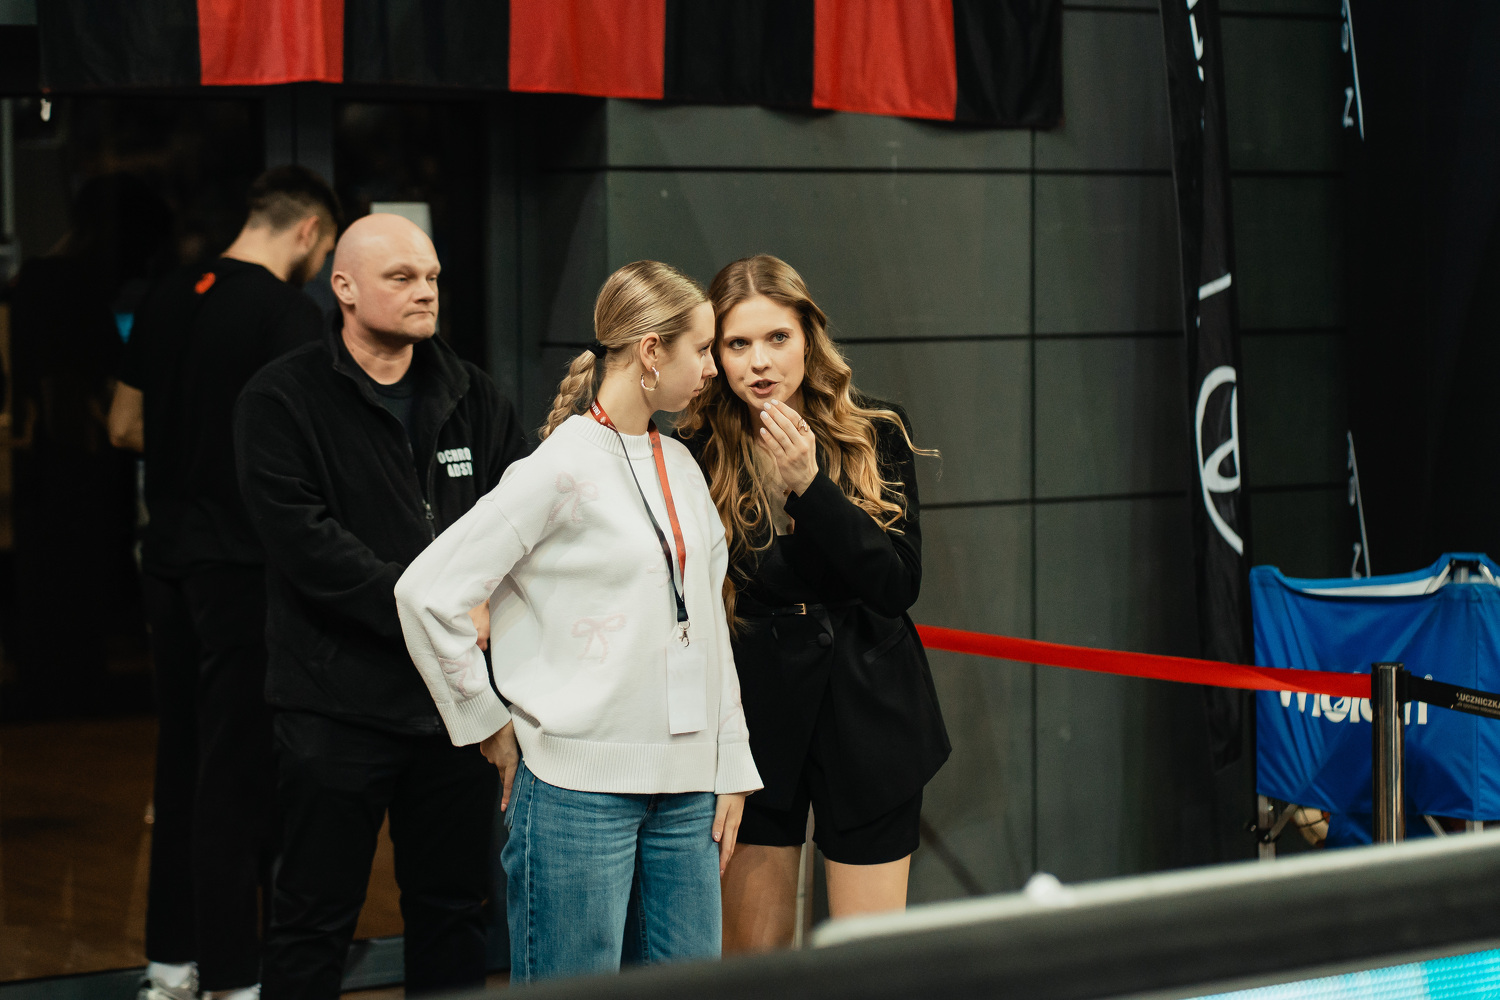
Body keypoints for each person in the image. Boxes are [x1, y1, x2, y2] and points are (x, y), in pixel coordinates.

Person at [394, 260, 762, 983]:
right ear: (651, 352)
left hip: (688, 791)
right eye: (702, 349)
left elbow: (709, 626)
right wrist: (486, 723)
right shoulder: (556, 468)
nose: (714, 368)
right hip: (575, 792)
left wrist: (731, 764)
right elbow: (425, 593)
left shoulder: (683, 465)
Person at [234, 213, 526, 1000]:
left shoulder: (474, 395)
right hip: (336, 705)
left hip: (453, 709)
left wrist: (483, 607)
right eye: (402, 278)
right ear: (344, 287)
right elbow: (307, 546)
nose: (425, 291)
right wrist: (437, 611)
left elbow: (521, 521)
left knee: (454, 913)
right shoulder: (282, 399)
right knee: (312, 921)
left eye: (431, 277)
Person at [107, 165, 339, 1000]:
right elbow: (303, 450)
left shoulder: (167, 294)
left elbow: (122, 425)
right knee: (236, 773)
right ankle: (235, 979)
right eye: (326, 247)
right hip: (240, 565)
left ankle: (170, 963)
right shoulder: (289, 314)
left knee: (180, 759)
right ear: (309, 230)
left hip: (166, 559)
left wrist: (188, 445)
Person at [676, 254, 950, 951]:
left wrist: (811, 486)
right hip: (754, 717)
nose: (759, 362)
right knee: (754, 966)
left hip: (869, 709)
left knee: (866, 962)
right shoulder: (694, 449)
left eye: (778, 338)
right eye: (737, 343)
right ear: (715, 354)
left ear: (808, 337)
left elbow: (897, 585)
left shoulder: (876, 429)